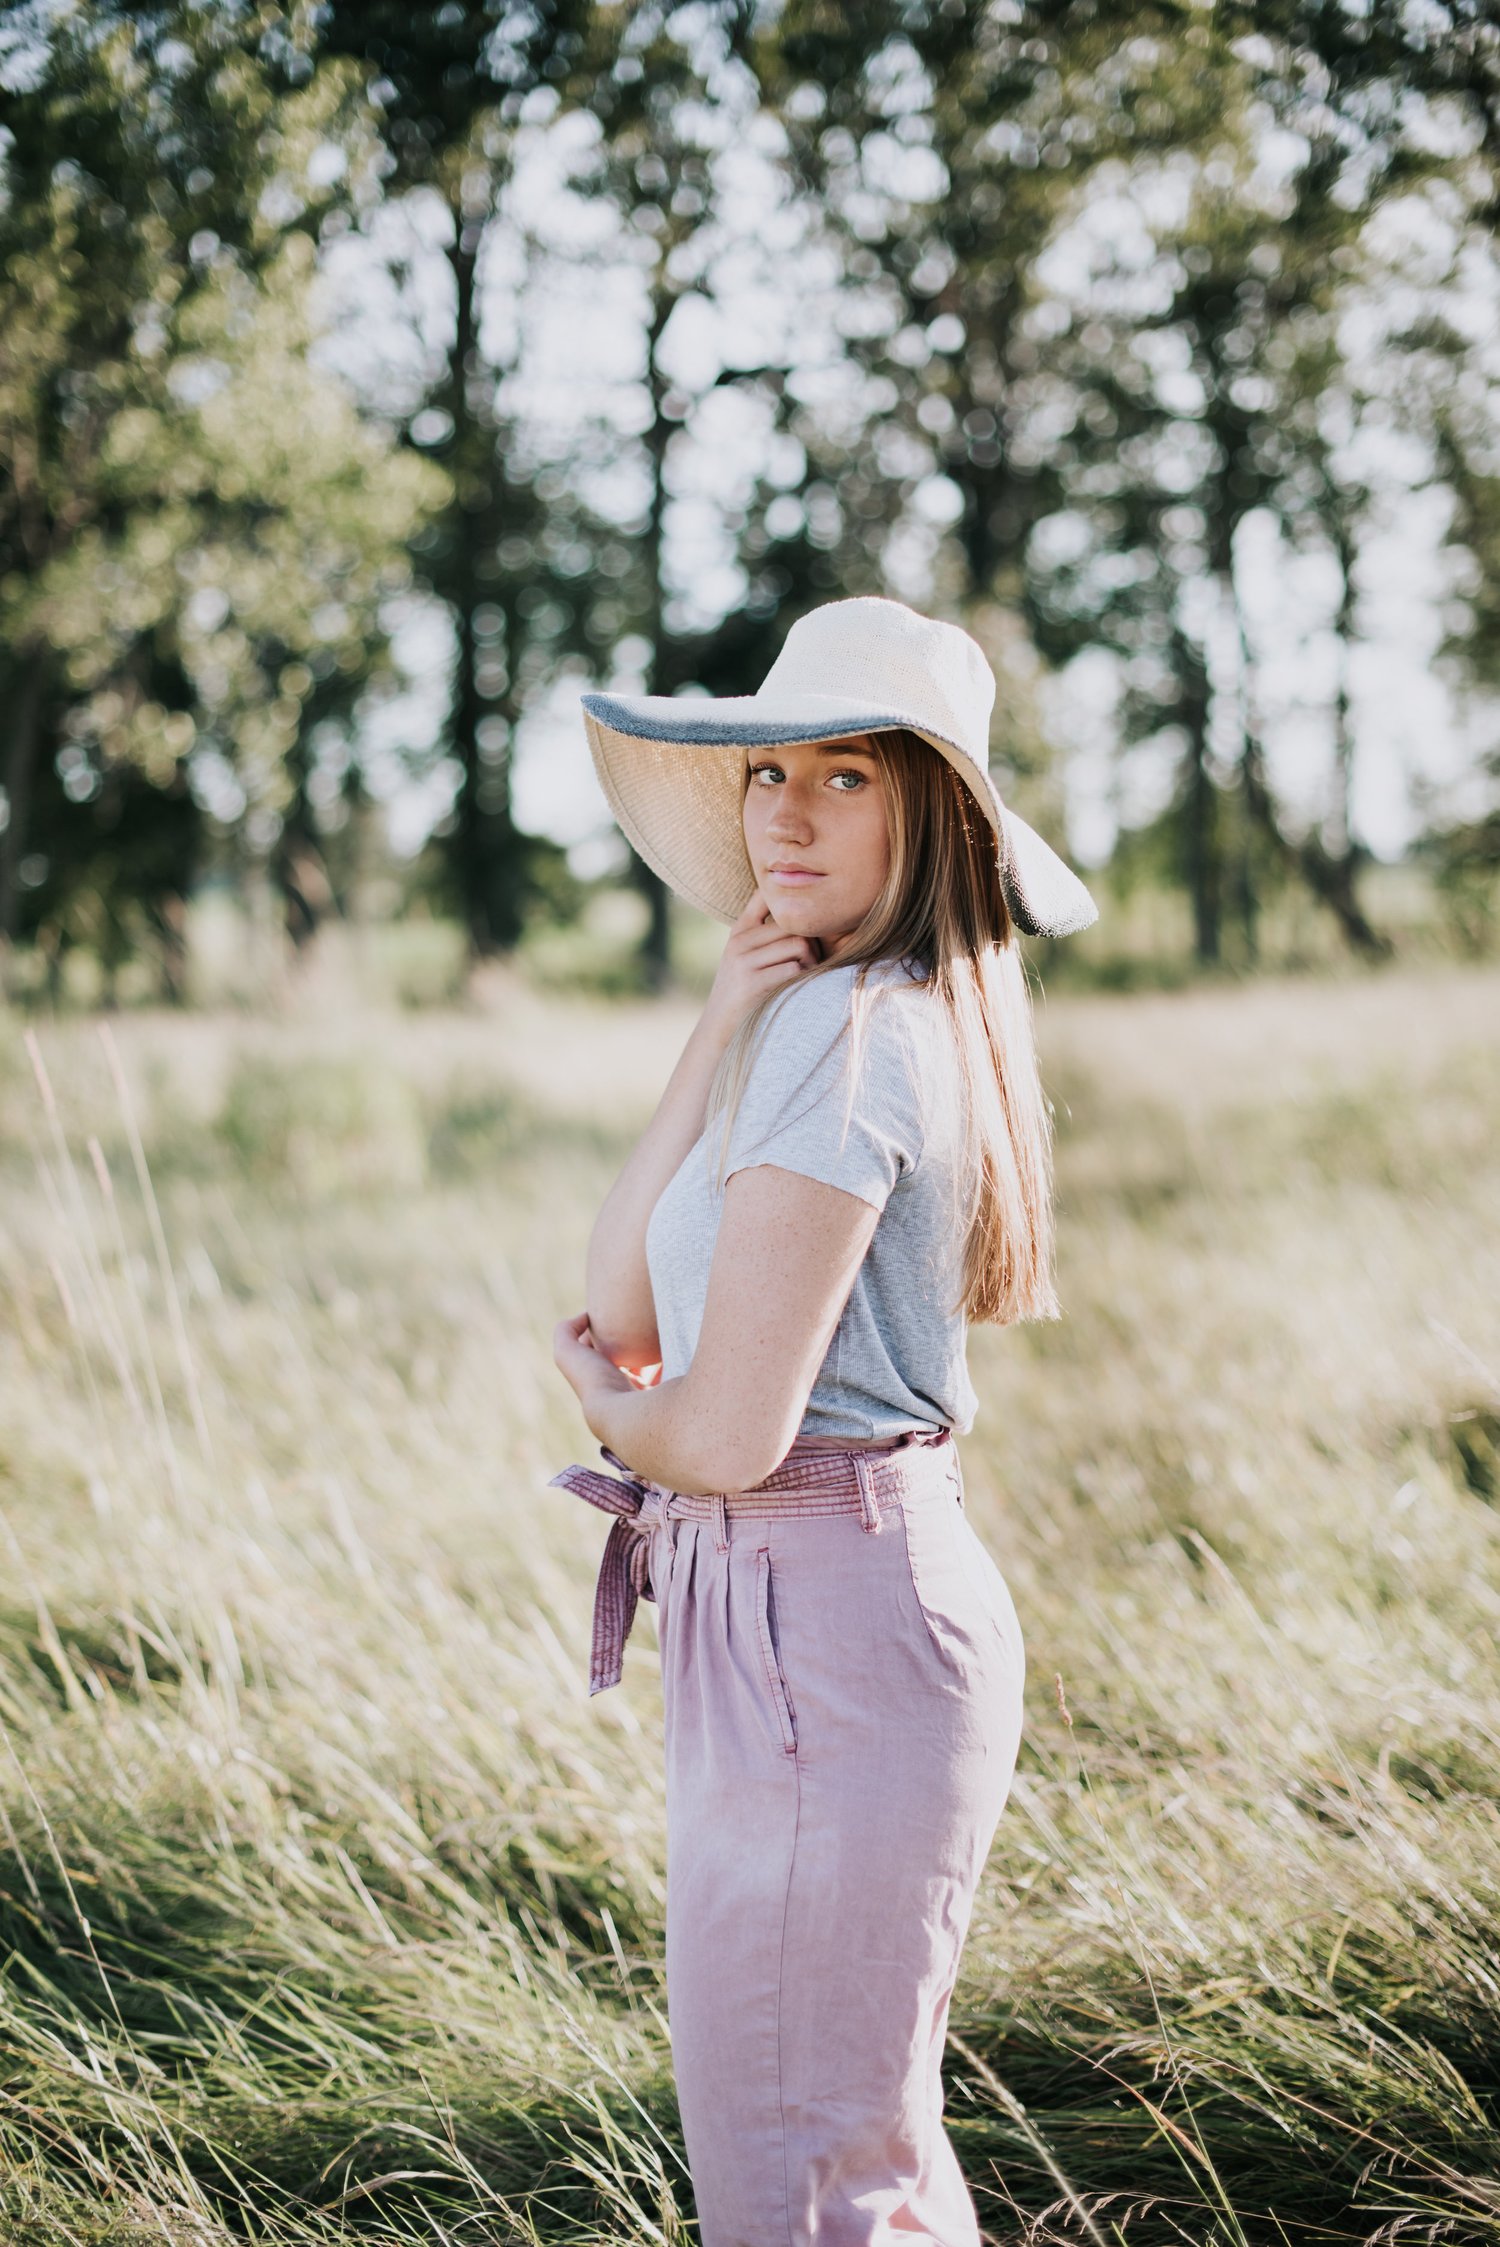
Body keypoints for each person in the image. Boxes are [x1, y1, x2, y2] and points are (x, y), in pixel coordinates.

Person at [549, 595, 1098, 2247]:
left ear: (929, 812)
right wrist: (717, 1021)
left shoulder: (856, 1039)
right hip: (807, 1619)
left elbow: (713, 1430)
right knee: (850, 2165)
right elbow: (624, 1303)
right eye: (770, 771)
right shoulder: (822, 1022)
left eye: (845, 776)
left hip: (826, 1623)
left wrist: (611, 1418)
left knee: (804, 2185)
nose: (784, 812)